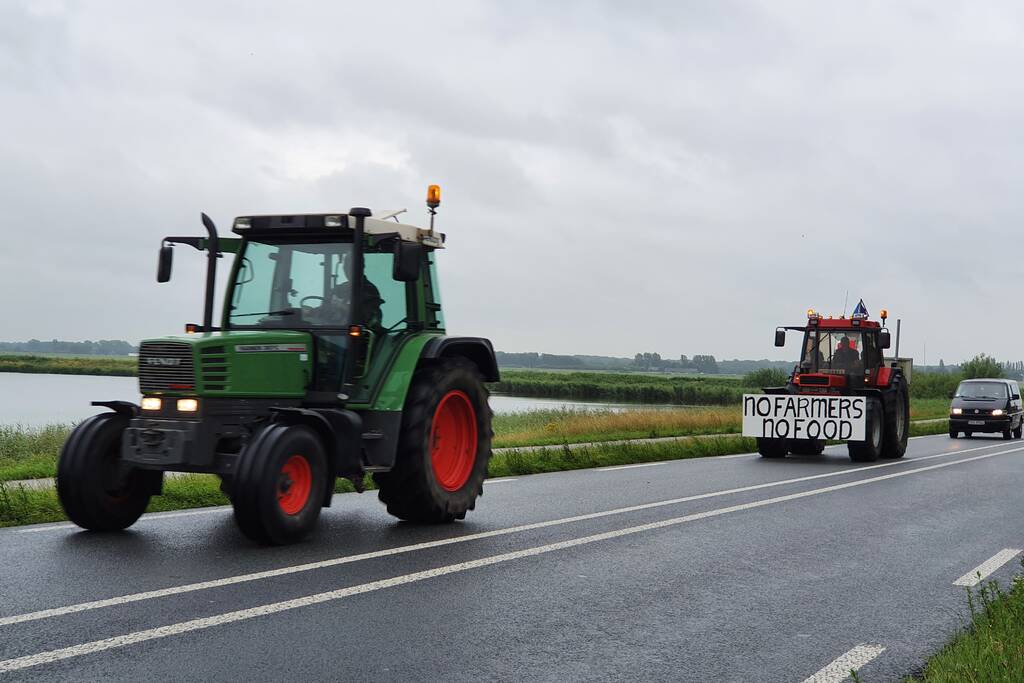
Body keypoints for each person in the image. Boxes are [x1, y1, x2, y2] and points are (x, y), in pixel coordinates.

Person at [307, 256, 384, 328]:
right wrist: (311, 312)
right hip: (333, 331)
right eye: (345, 266)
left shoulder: (369, 290)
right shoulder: (339, 289)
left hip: (356, 336)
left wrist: (342, 306)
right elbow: (325, 307)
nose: (347, 270)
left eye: (350, 266)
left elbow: (367, 317)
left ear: (361, 267)